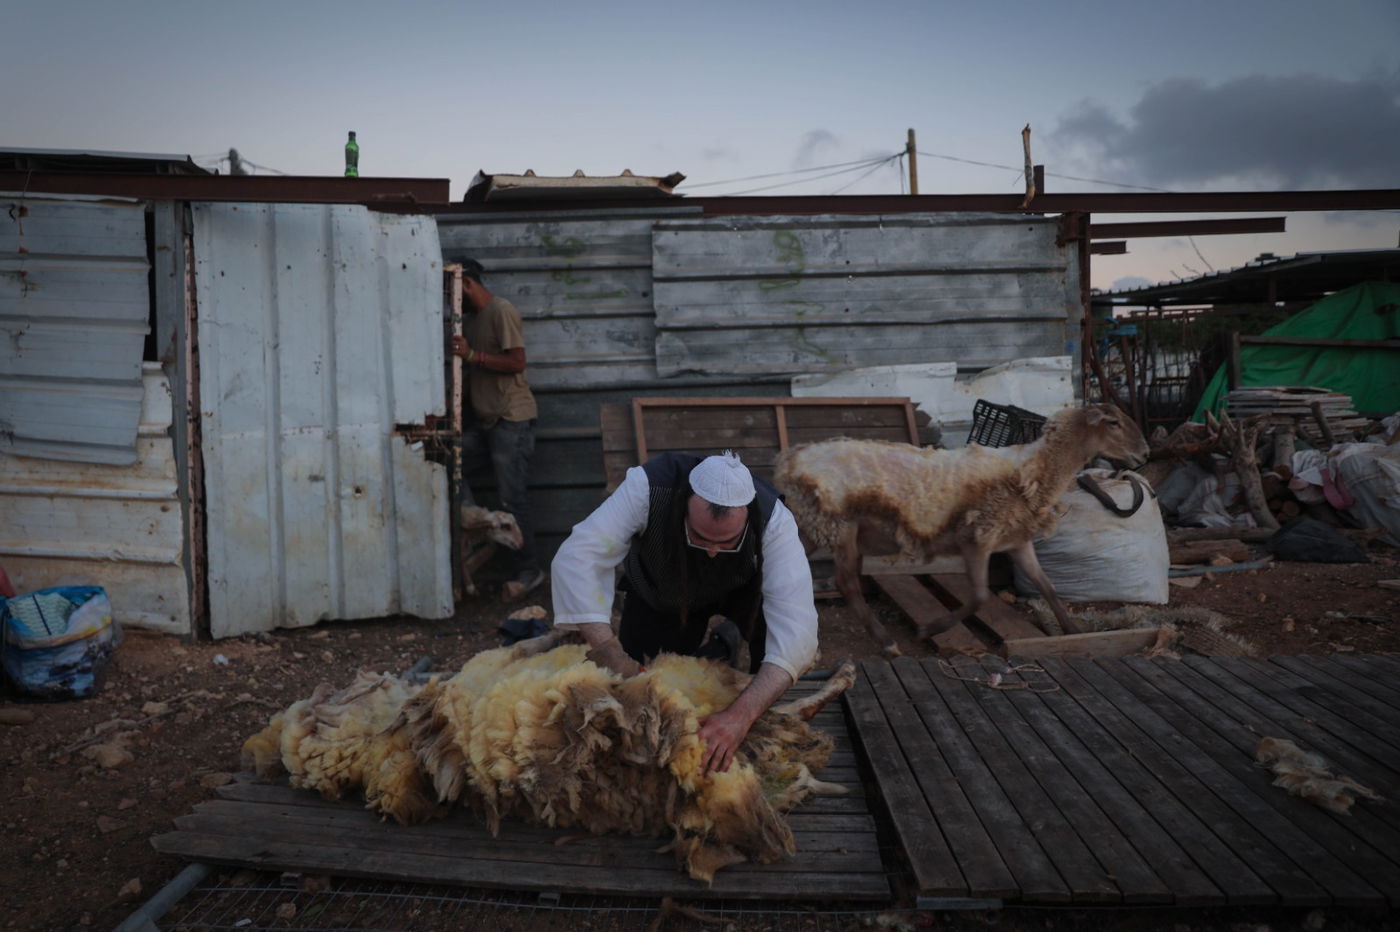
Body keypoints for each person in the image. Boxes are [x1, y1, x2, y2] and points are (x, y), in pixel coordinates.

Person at [550, 450, 819, 775]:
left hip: (742, 590)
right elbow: (579, 556)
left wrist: (740, 717)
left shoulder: (775, 520)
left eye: (727, 542)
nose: (712, 552)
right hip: (666, 589)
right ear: (685, 505)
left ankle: (735, 662)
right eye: (700, 537)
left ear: (747, 516)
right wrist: (609, 651)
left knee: (764, 699)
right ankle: (722, 645)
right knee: (649, 689)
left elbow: (797, 629)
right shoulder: (647, 487)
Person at [450, 258, 544, 601]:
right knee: (451, 463)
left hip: (511, 419)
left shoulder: (501, 311)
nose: (450, 299)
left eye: (452, 289)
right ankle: (480, 525)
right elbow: (471, 372)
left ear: (466, 283)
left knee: (512, 496)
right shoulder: (470, 322)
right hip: (486, 422)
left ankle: (529, 572)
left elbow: (517, 361)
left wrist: (472, 356)